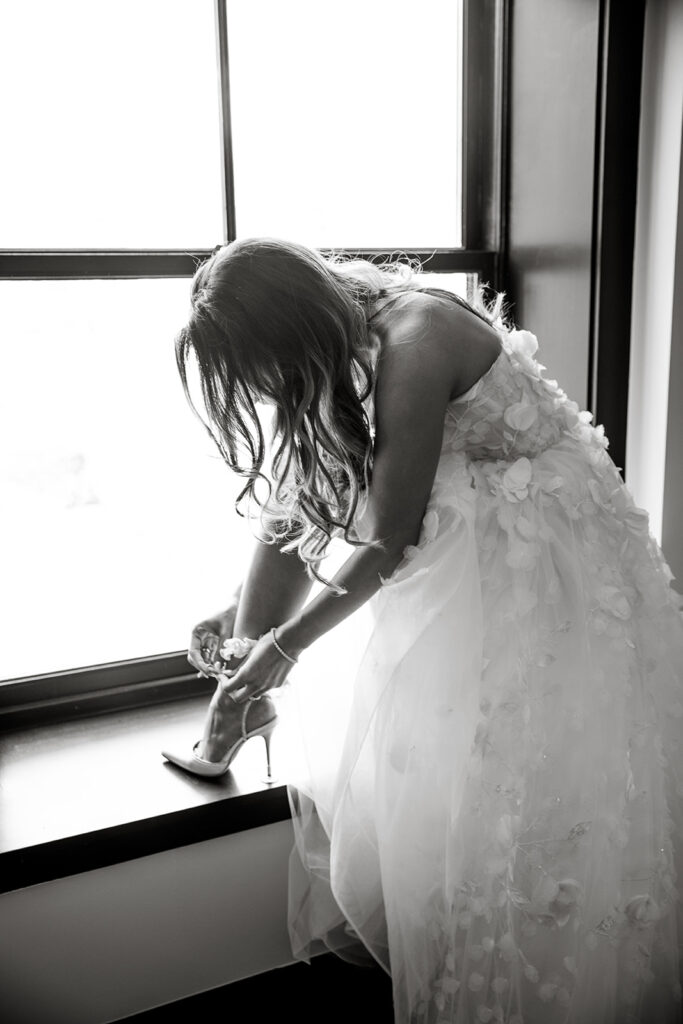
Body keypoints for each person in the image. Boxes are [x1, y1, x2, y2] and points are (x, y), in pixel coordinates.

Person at [161, 237, 683, 1023]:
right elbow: (311, 489)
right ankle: (243, 704)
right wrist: (241, 618)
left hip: (543, 573)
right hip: (466, 557)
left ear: (295, 325)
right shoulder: (350, 338)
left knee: (529, 804)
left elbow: (385, 537)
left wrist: (283, 647)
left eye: (267, 366)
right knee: (458, 811)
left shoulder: (414, 336)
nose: (270, 390)